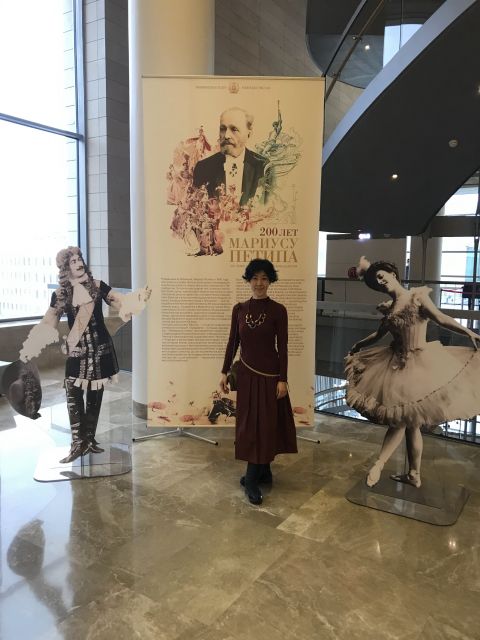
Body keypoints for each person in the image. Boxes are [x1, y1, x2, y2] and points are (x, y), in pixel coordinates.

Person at [345, 256, 480, 488]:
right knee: (410, 422)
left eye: (382, 277)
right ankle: (414, 474)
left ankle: (380, 463)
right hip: (396, 365)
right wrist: (359, 344)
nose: (381, 282)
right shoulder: (389, 309)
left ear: (393, 274)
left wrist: (469, 332)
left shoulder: (417, 297)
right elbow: (379, 335)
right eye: (377, 282)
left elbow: (440, 318)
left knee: (402, 419)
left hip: (421, 364)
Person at [19, 247, 150, 464]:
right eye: (73, 261)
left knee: (95, 395)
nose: (79, 263)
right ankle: (77, 443)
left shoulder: (97, 286)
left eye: (79, 259)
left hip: (100, 350)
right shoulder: (61, 295)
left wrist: (135, 299)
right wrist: (31, 346)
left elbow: (118, 300)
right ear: (66, 268)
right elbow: (49, 321)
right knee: (73, 392)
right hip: (77, 351)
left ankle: (88, 439)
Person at [219, 259, 297, 505]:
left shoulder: (278, 310)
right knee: (251, 426)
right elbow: (233, 342)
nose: (259, 283)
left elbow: (282, 347)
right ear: (248, 280)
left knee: (266, 425)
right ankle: (263, 471)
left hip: (270, 378)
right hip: (247, 376)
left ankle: (252, 478)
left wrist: (283, 379)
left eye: (264, 278)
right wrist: (224, 372)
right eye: (255, 278)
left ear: (270, 281)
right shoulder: (239, 309)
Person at [193, 107, 271, 206]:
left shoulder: (264, 167)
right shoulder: (203, 168)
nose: (226, 135)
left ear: (249, 134)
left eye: (234, 129)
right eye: (222, 129)